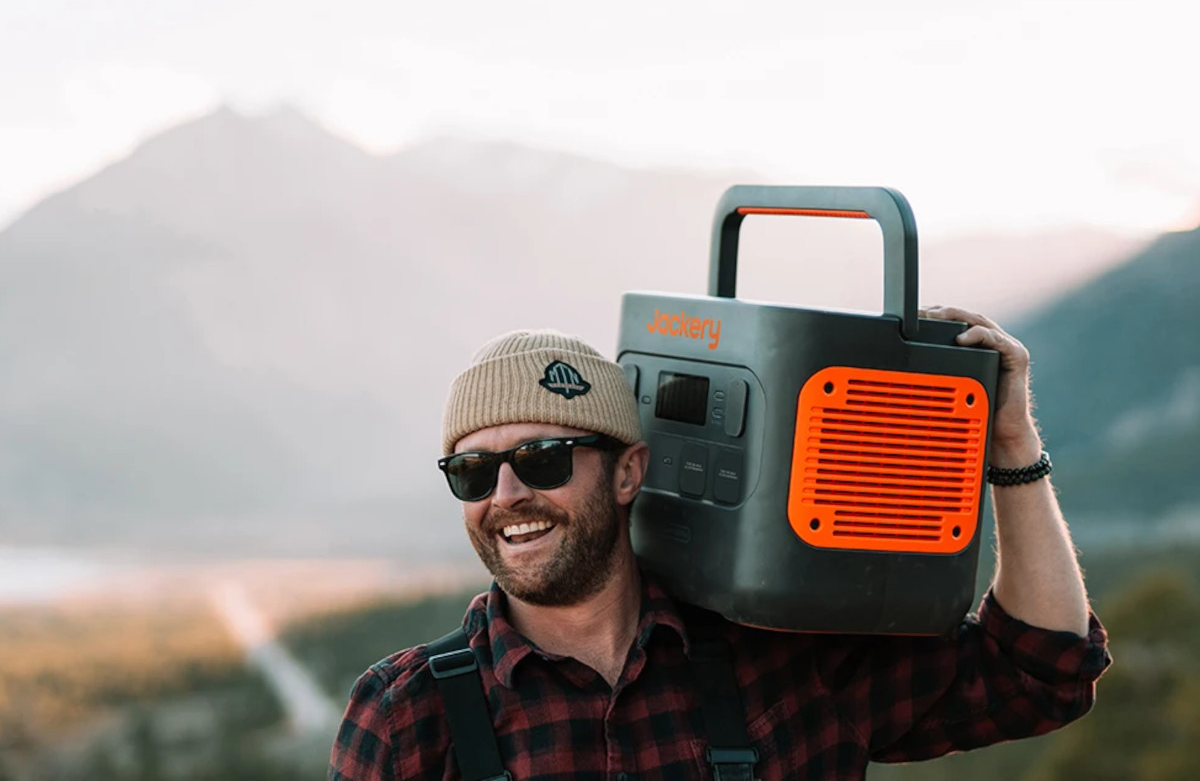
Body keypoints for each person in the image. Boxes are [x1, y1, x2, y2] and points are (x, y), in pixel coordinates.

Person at [329, 307, 1111, 780]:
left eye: (542, 460)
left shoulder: (785, 660)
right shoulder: (409, 718)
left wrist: (1010, 441)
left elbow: (1038, 672)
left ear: (628, 471)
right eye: (472, 473)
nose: (505, 498)